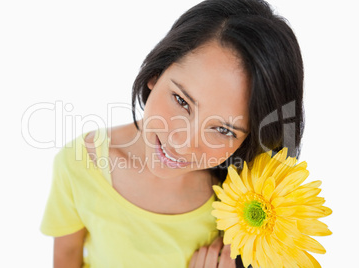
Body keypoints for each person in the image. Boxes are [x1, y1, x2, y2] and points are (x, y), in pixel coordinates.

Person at [40, 0, 305, 267]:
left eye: (223, 129)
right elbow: (66, 257)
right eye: (181, 101)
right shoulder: (81, 164)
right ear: (155, 74)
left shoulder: (244, 208)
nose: (183, 143)